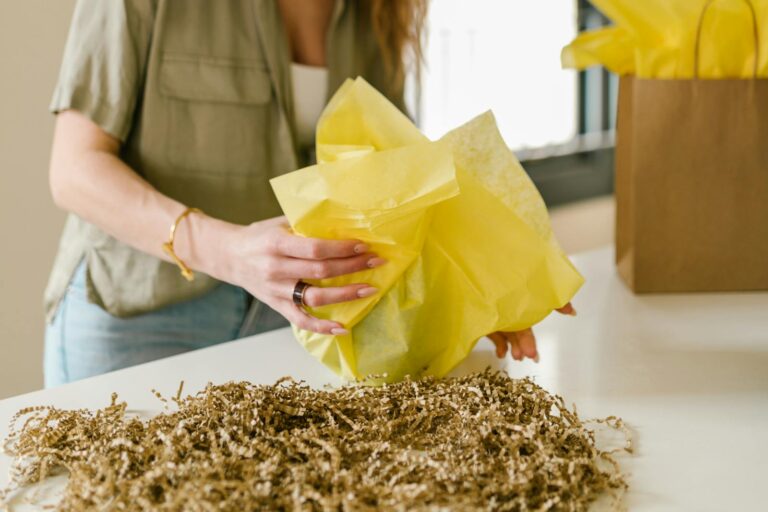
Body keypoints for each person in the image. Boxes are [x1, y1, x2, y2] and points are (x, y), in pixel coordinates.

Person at [44, 0, 573, 387]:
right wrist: (227, 251)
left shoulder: (381, 12)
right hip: (140, 314)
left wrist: (485, 281)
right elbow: (74, 169)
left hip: (295, 323)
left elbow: (393, 186)